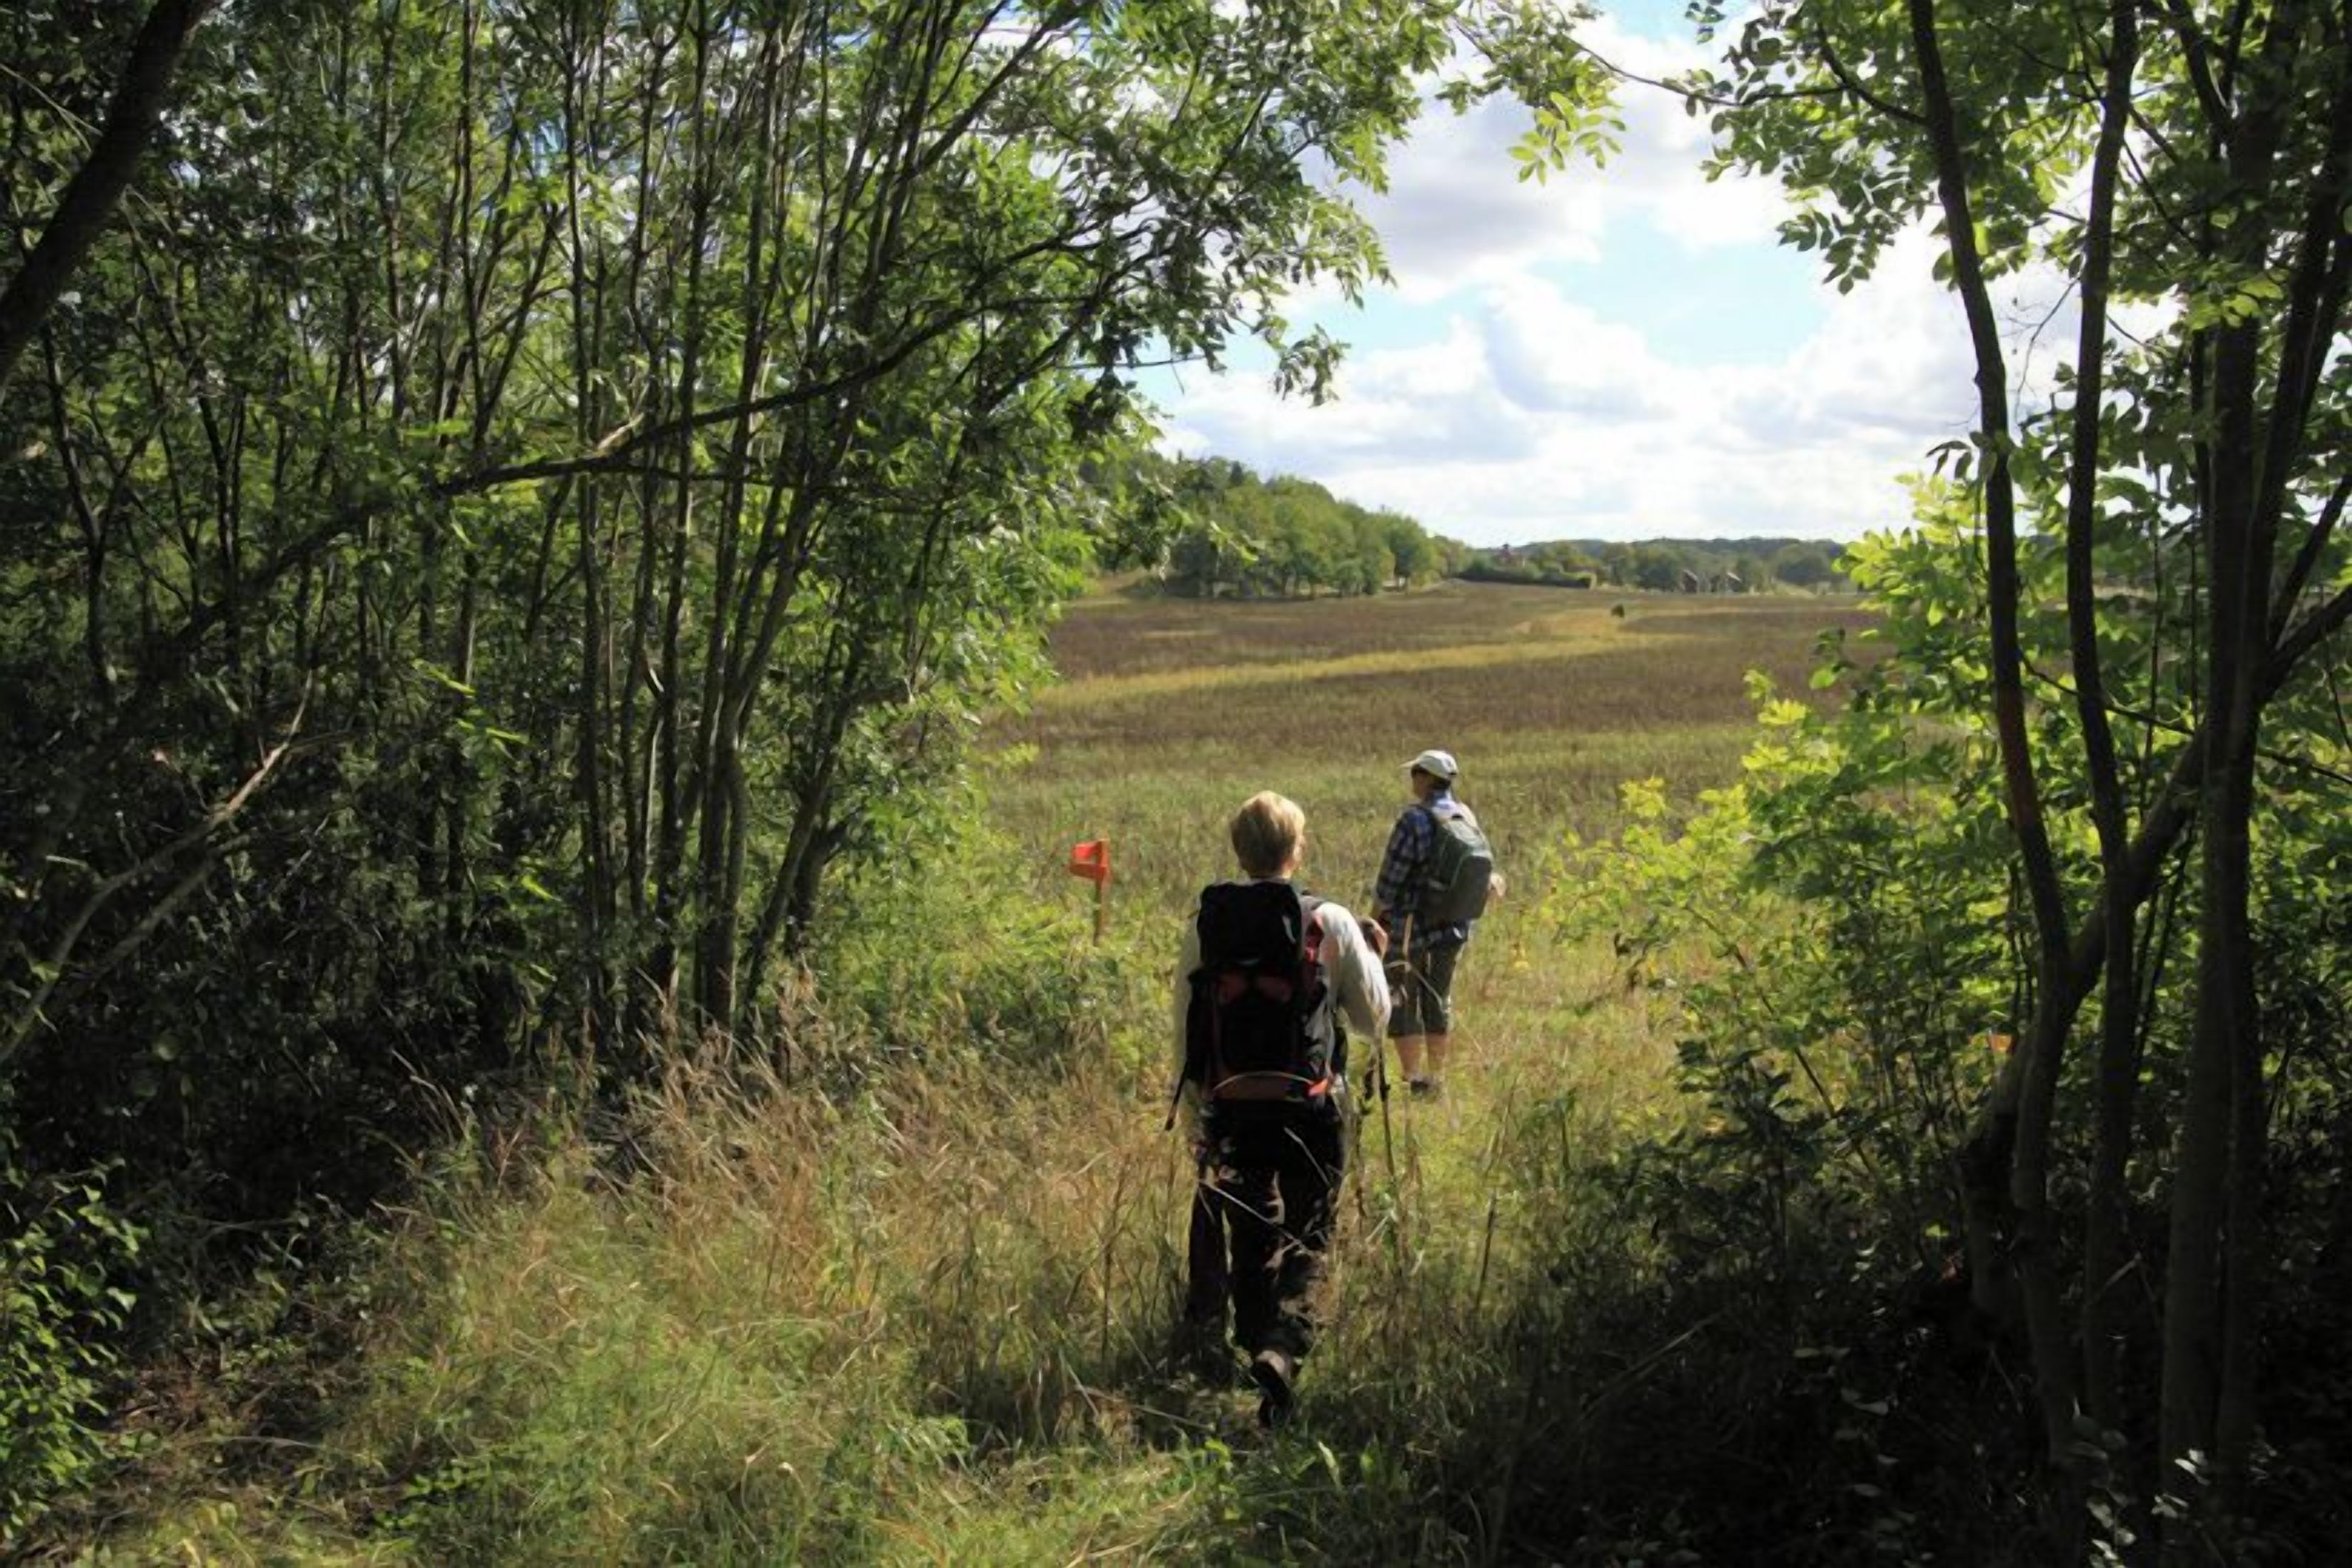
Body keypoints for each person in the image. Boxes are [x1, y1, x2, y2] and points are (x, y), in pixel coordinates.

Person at [1170, 791, 1389, 1426]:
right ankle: (1284, 1348)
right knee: (1312, 1228)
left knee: (1251, 1224)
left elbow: (1185, 1031)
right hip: (1311, 1108)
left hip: (1230, 1107)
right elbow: (1375, 1020)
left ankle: (1255, 1342)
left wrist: (1195, 1118)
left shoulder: (1205, 924)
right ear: (1298, 849)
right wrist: (1372, 954)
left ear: (1239, 851)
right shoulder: (1333, 921)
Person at [1371, 748, 1500, 1099]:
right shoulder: (1465, 814)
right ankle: (1437, 1077)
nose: (1412, 780)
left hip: (1410, 925)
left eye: (1415, 773)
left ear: (1427, 779)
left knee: (1402, 996)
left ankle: (1414, 1080)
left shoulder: (1412, 819)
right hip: (1455, 926)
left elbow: (1390, 880)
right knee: (1438, 997)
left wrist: (1375, 917)